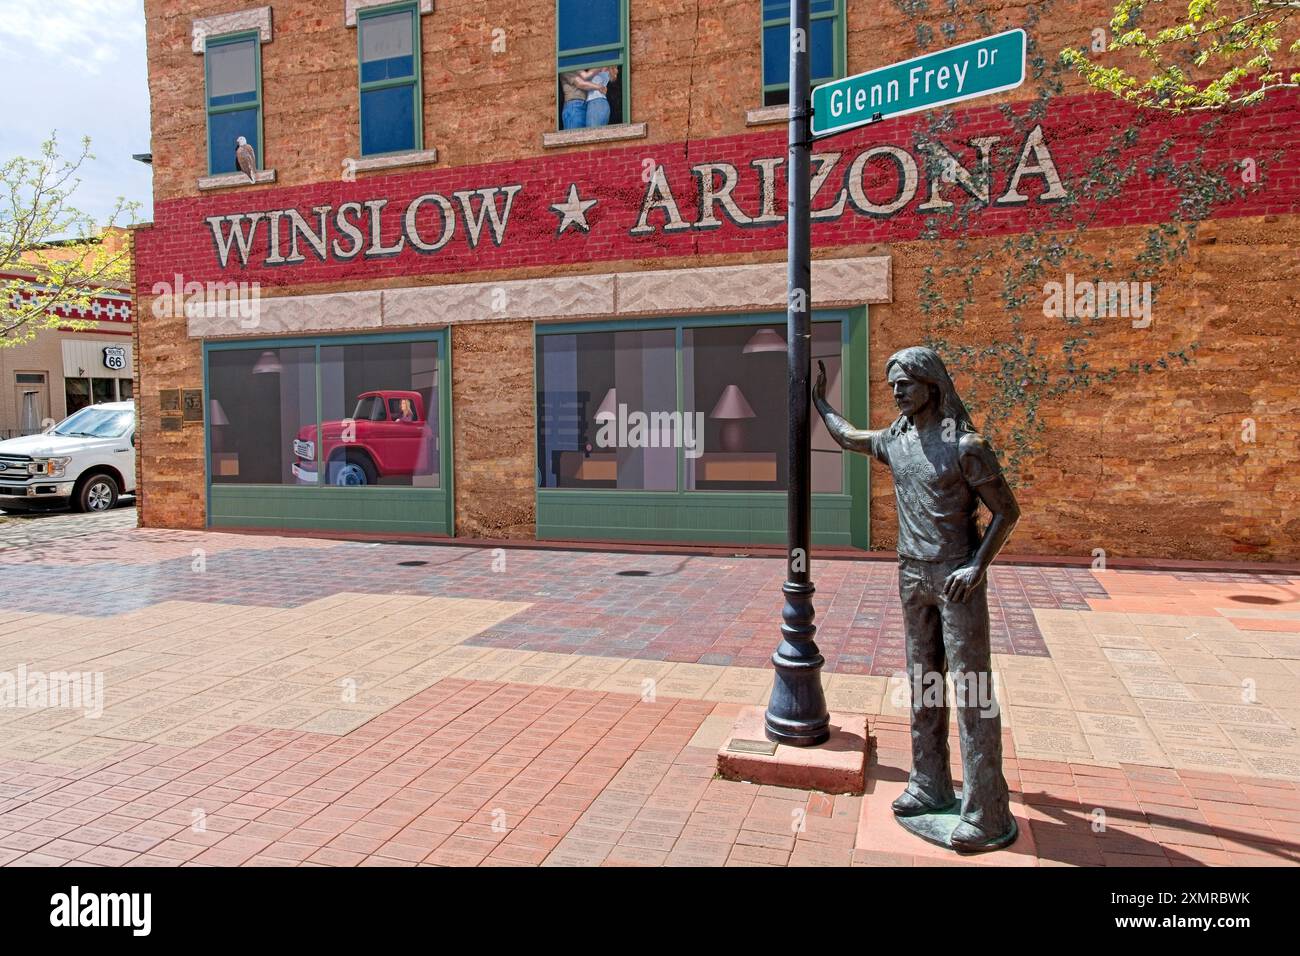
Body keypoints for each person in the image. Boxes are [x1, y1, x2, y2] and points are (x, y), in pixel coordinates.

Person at [813, 346, 1021, 853]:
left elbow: (1006, 512)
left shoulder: (966, 445)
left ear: (932, 384)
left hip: (956, 577)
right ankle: (928, 783)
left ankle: (985, 809)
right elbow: (849, 437)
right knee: (923, 682)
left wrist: (976, 567)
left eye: (905, 382)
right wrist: (819, 400)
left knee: (972, 689)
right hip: (911, 576)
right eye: (892, 386)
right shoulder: (897, 439)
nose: (897, 392)